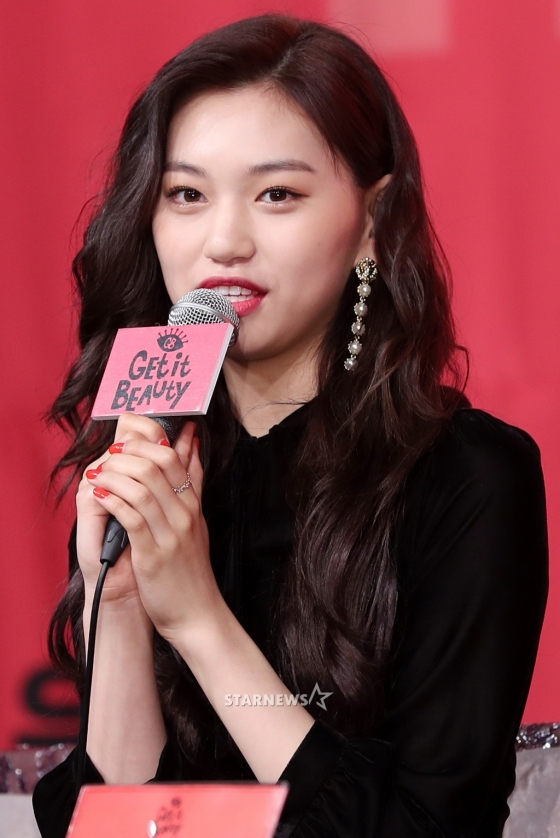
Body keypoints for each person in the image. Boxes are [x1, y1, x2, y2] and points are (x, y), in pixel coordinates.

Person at [32, 14, 548, 838]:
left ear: (372, 219)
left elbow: (424, 825)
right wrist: (121, 604)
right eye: (186, 195)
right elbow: (115, 821)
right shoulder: (150, 460)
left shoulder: (468, 478)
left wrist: (199, 621)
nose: (224, 241)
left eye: (277, 194)